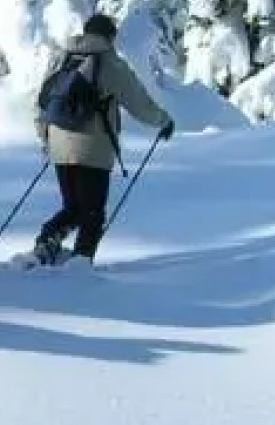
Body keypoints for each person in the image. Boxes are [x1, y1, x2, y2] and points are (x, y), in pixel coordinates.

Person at [31, 14, 174, 266]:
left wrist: (45, 136)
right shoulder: (109, 63)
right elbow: (138, 101)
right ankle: (80, 266)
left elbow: (43, 100)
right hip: (93, 148)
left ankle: (48, 240)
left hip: (59, 142)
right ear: (110, 36)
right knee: (93, 213)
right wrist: (163, 120)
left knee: (73, 207)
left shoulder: (62, 58)